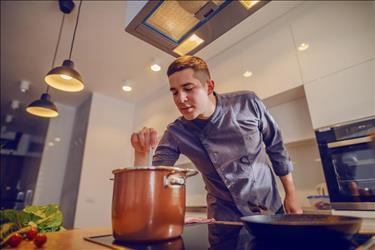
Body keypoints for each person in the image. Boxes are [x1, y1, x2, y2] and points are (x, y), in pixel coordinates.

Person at [131, 55, 302, 221]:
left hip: (269, 209)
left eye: (188, 88)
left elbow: (276, 147)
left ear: (209, 87)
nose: (180, 99)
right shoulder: (176, 132)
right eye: (174, 92)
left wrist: (291, 193)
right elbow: (152, 179)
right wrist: (141, 153)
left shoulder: (247, 103)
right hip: (224, 221)